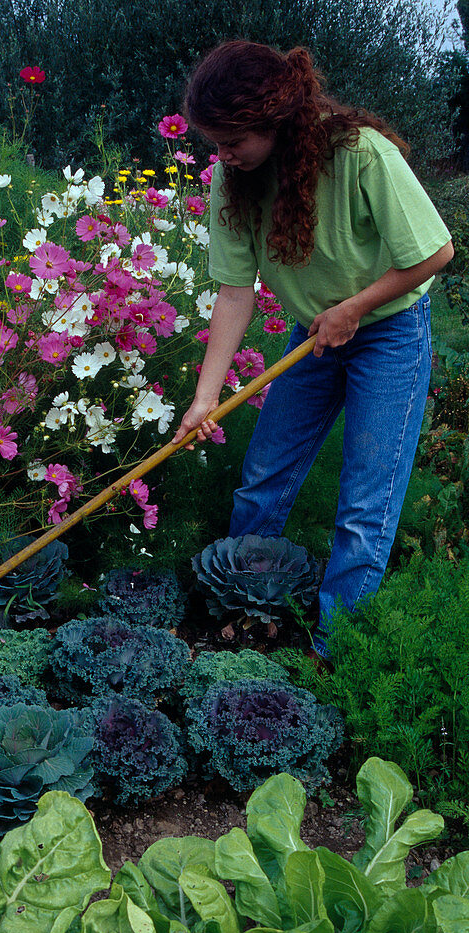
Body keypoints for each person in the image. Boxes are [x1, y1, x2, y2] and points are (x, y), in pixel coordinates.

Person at [172, 40, 453, 659]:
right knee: (263, 479)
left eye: (231, 140)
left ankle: (332, 651)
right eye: (214, 142)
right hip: (315, 337)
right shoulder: (234, 178)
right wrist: (205, 397)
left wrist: (355, 309)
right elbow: (234, 292)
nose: (221, 155)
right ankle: (246, 611)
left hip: (389, 333)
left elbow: (435, 253)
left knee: (364, 504)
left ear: (272, 120)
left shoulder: (360, 154)